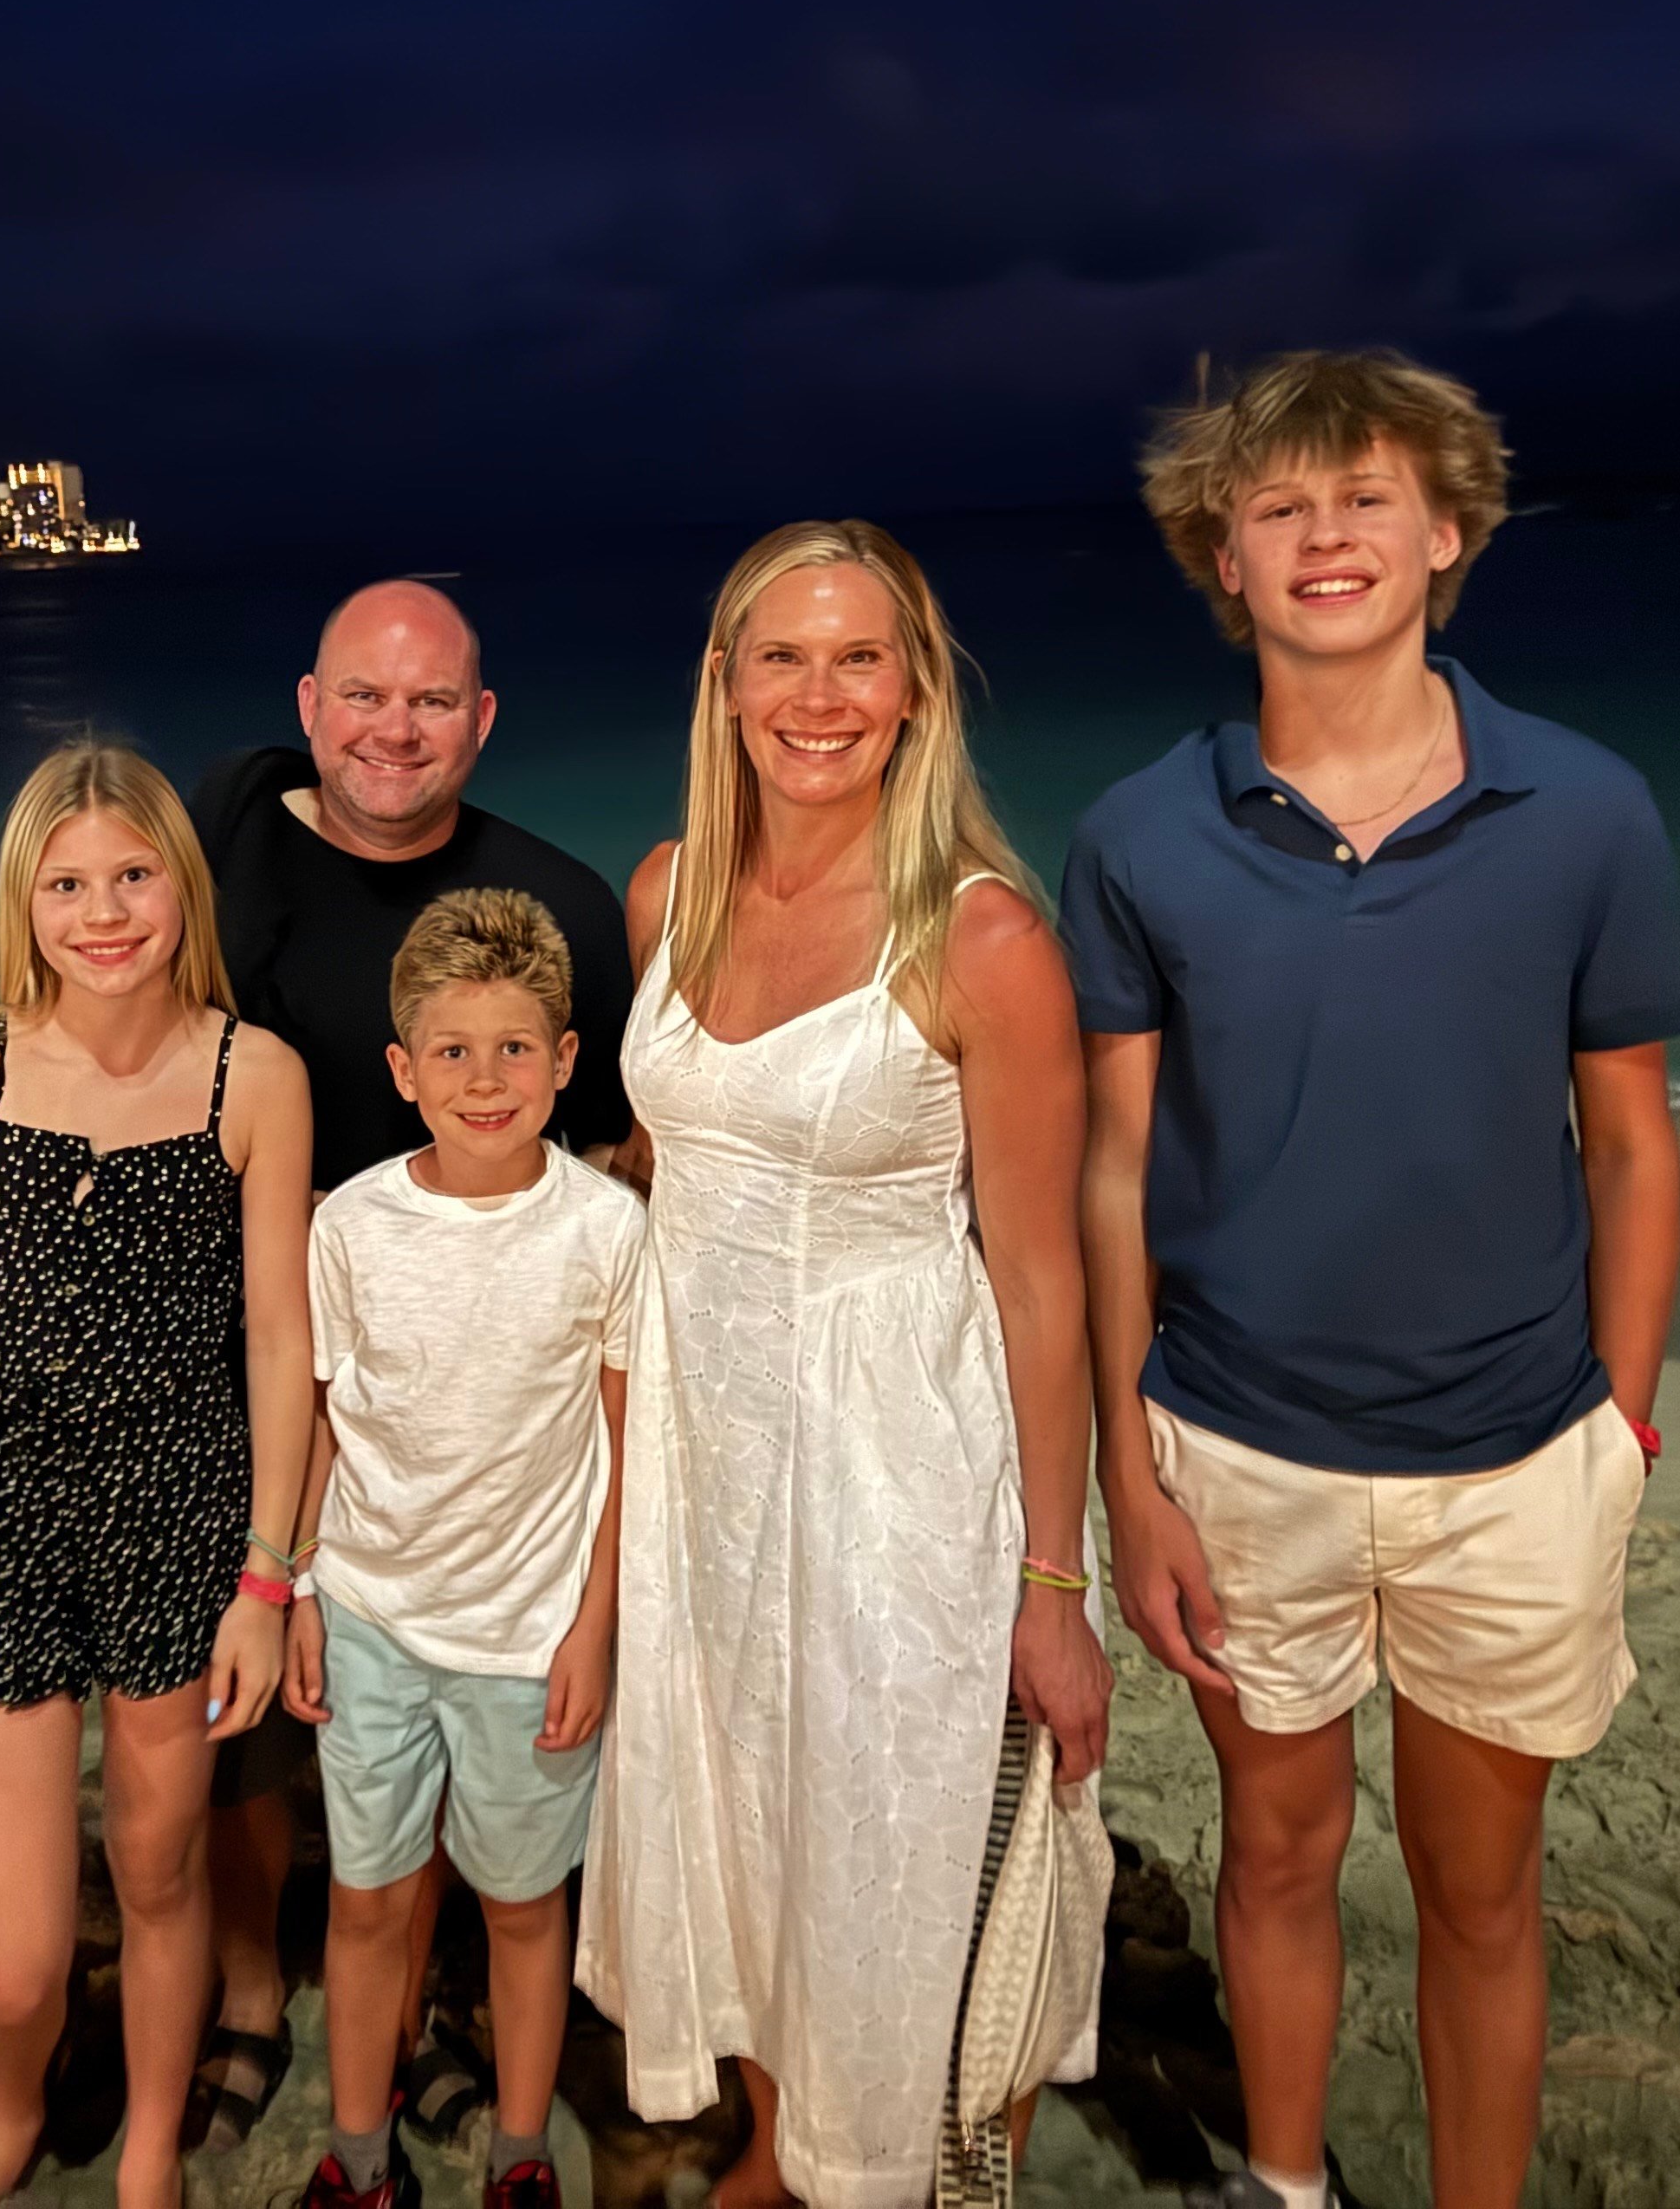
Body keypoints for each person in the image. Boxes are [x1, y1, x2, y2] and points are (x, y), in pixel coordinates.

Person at [1063, 353, 1680, 2209]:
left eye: (1368, 497)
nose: (1326, 532)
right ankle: (1284, 2184)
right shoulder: (1142, 835)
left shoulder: (1584, 813)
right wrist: (1128, 1463)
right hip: (1238, 1446)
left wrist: (1623, 1422)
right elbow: (1115, 1169)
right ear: (1225, 561)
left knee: (1482, 1892)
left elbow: (1638, 1146)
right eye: (1280, 506)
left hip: (1515, 1454)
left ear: (1447, 534)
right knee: (1274, 1856)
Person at [581, 520, 1111, 2209]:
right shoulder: (667, 890)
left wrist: (1052, 1576)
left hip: (892, 1468)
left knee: (889, 1836)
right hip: (701, 1463)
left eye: (859, 657)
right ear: (727, 686)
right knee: (738, 1816)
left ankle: (876, 2165)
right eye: (783, 657)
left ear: (915, 691)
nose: (819, 694)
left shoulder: (983, 942)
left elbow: (1042, 1278)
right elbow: (674, 1167)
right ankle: (780, 2140)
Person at [180, 577, 637, 2154]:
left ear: (482, 721)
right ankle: (254, 1992)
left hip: (486, 1389)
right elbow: (75, 1017)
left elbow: (634, 1147)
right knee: (238, 1711)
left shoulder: (562, 909)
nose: (395, 729)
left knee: (470, 1781)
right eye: (363, 697)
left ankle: (448, 2021)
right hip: (239, 1343)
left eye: (432, 701)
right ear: (308, 708)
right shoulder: (221, 833)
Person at [0, 738, 316, 2209]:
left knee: (165, 1873)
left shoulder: (256, 1076)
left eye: (132, 877)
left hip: (182, 1527)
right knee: (19, 1956)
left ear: (182, 886)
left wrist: (265, 1578)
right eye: (68, 884)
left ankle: (143, 2157)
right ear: (26, 900)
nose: (104, 913)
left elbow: (275, 1340)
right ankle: (8, 2115)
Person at [283, 887, 647, 2209]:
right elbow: (325, 1420)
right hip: (373, 1617)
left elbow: (626, 1452)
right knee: (370, 1899)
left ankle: (521, 2151)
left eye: (515, 1050)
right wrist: (306, 1589)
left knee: (520, 1906)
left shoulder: (609, 1232)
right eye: (452, 1050)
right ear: (403, 1069)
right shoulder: (354, 1226)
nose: (484, 1080)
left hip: (528, 1641)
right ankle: (359, 2151)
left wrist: (593, 1631)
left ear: (564, 1061)